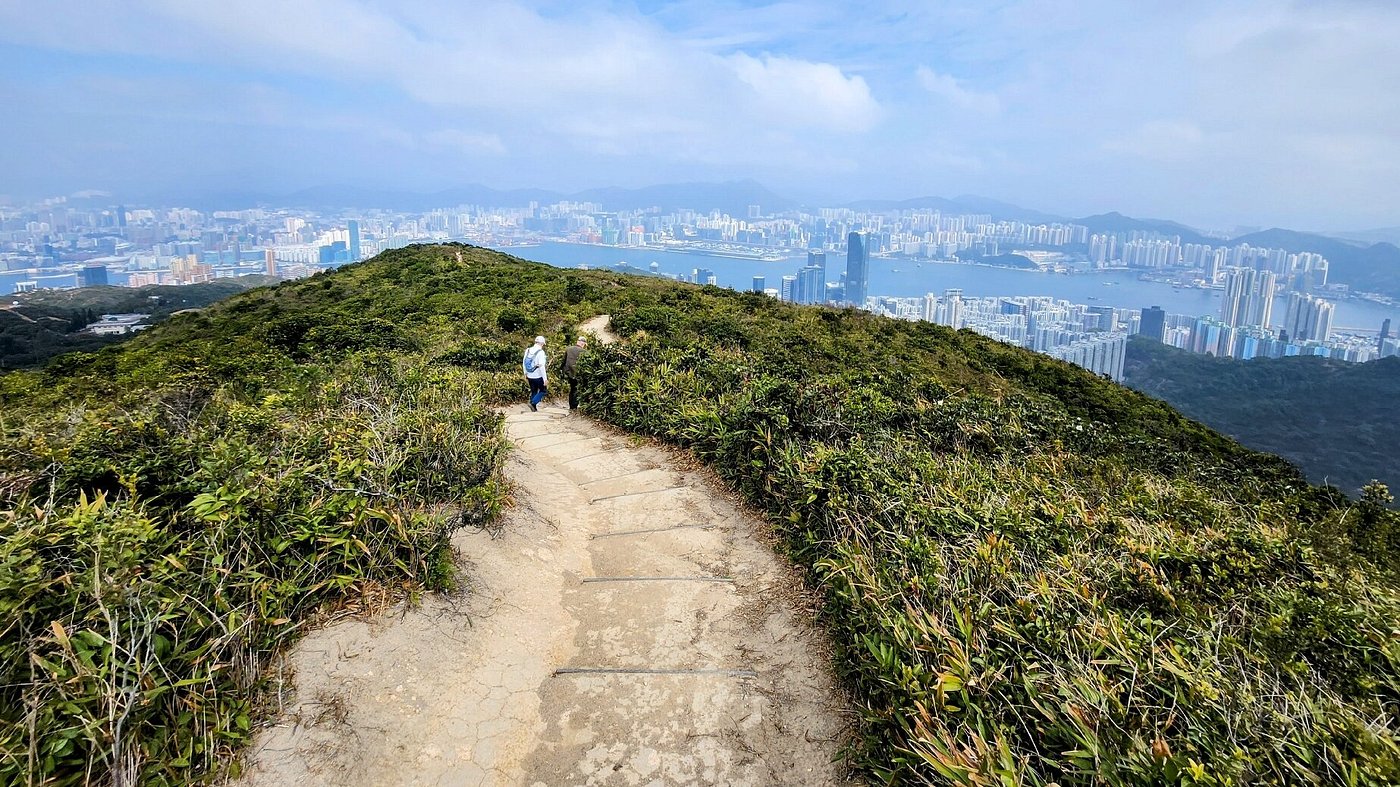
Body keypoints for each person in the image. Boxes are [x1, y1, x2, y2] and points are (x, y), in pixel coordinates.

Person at [522, 335, 548, 412]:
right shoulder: (541, 352)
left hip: (529, 375)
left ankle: (533, 408)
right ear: (542, 343)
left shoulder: (528, 350)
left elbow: (524, 362)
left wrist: (525, 373)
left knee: (534, 391)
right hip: (538, 376)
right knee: (543, 390)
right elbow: (542, 366)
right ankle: (533, 403)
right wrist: (545, 379)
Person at [562, 337, 587, 410]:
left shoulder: (568, 349)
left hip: (569, 373)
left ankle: (571, 406)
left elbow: (563, 361)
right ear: (583, 344)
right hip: (578, 374)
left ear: (577, 342)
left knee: (572, 389)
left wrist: (562, 370)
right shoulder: (584, 351)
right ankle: (574, 406)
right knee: (576, 389)